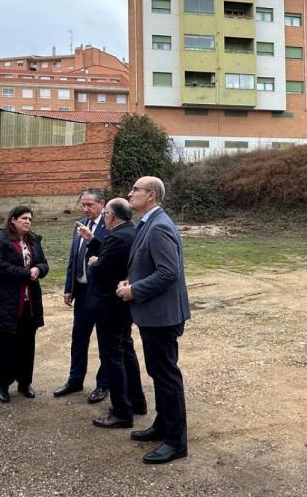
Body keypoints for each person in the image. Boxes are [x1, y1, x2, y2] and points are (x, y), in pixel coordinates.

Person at [116, 176, 191, 465]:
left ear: (151, 195)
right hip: (154, 314)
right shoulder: (150, 222)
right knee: (159, 374)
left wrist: (134, 290)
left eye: (135, 189)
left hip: (162, 316)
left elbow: (168, 272)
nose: (130, 193)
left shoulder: (159, 226)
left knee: (167, 376)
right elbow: (150, 265)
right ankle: (163, 425)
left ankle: (176, 442)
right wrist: (131, 280)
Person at [85, 197, 147, 429]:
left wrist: (94, 263)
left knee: (112, 357)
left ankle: (121, 411)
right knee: (127, 353)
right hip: (123, 305)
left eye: (105, 215)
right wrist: (95, 245)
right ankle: (137, 401)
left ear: (110, 216)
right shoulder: (132, 233)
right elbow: (113, 258)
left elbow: (102, 270)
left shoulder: (117, 237)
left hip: (109, 305)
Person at [0, 206, 50, 403]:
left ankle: (25, 383)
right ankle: (3, 385)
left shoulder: (33, 240)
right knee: (4, 345)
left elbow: (44, 263)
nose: (27, 222)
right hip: (5, 302)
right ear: (13, 220)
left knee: (27, 344)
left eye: (30, 219)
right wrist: (25, 273)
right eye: (24, 218)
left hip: (29, 303)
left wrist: (38, 269)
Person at [54, 189, 110, 403]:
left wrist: (93, 238)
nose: (86, 209)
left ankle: (103, 384)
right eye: (83, 205)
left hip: (102, 293)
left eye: (90, 205)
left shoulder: (111, 225)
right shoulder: (79, 225)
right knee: (79, 338)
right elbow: (73, 258)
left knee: (105, 340)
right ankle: (75, 380)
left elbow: (112, 254)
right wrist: (69, 287)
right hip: (82, 291)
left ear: (102, 204)